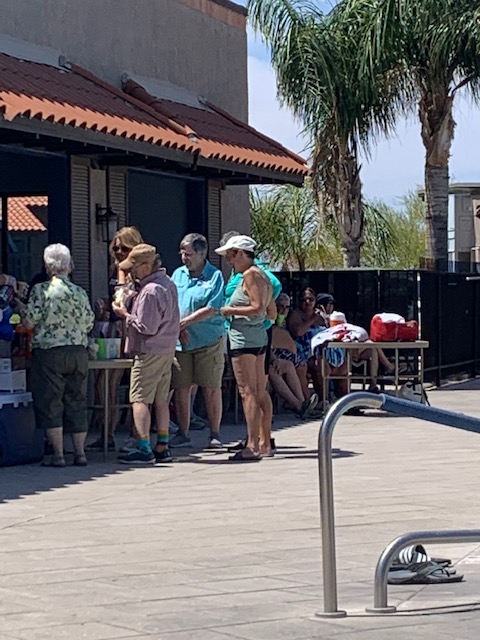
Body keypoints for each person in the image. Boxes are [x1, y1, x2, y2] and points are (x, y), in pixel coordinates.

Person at [25, 244, 95, 467]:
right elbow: (89, 323)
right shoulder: (80, 292)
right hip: (78, 351)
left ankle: (58, 455)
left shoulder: (41, 290)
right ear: (69, 266)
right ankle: (80, 453)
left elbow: (29, 321)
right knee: (77, 400)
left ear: (47, 267)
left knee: (51, 401)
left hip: (49, 352)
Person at [113, 244, 179, 465]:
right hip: (167, 350)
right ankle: (162, 445)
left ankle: (143, 447)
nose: (131, 272)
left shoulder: (150, 291)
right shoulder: (167, 284)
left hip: (149, 351)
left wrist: (124, 314)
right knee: (161, 400)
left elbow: (146, 326)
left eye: (134, 267)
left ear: (146, 266)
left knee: (139, 399)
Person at [216, 234, 276, 460]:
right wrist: (258, 325)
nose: (229, 261)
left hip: (243, 341)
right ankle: (264, 443)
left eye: (231, 256)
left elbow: (257, 307)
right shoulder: (264, 276)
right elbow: (271, 312)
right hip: (259, 339)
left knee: (247, 392)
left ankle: (251, 445)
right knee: (260, 391)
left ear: (241, 253)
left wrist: (230, 311)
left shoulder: (250, 275)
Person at [87, 226, 144, 452]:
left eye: (125, 248)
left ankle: (132, 434)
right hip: (112, 330)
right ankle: (107, 433)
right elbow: (116, 299)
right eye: (116, 248)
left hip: (131, 331)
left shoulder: (139, 271)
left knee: (128, 384)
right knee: (103, 382)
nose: (120, 252)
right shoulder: (114, 269)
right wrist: (104, 304)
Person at [170, 233, 225, 449]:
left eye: (188, 254)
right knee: (181, 387)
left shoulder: (215, 276)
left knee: (210, 387)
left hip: (208, 340)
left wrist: (184, 324)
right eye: (182, 253)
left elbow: (212, 307)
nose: (184, 257)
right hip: (181, 342)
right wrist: (178, 328)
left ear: (202, 254)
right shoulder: (177, 274)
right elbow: (171, 303)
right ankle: (183, 433)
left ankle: (215, 434)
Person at [288, 288, 348, 403]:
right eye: (304, 300)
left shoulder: (322, 316)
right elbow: (298, 332)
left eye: (311, 299)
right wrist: (312, 319)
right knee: (320, 364)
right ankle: (324, 400)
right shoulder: (296, 315)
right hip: (306, 352)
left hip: (325, 350)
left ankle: (345, 401)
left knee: (344, 365)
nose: (307, 302)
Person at [269, 293, 319, 418]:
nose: (283, 310)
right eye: (280, 306)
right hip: (270, 354)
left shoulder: (286, 320)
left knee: (294, 364)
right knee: (299, 365)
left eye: (286, 307)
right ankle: (300, 405)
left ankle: (303, 404)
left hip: (284, 354)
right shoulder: (268, 320)